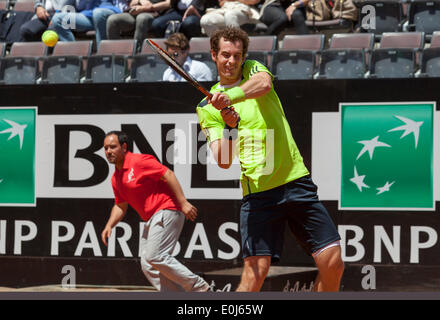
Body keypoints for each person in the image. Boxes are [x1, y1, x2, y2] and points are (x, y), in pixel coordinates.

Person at [196, 27, 344, 292]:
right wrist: (229, 126)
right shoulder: (206, 108)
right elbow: (222, 160)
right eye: (225, 55)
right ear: (214, 55)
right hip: (259, 195)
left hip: (296, 181)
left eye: (237, 56)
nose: (231, 61)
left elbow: (265, 84)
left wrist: (230, 96)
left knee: (333, 263)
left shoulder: (253, 69)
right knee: (255, 274)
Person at [102, 131, 210, 292]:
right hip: (152, 218)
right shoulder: (115, 178)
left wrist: (183, 202)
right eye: (105, 148)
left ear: (124, 147)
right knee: (148, 264)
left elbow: (167, 174)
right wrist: (109, 225)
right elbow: (120, 205)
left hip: (167, 209)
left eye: (113, 147)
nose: (108, 151)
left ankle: (201, 288)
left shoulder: (139, 161)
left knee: (155, 256)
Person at [50, 0, 127, 45]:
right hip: (88, 15)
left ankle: (103, 53)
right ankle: (73, 54)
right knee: (58, 18)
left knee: (98, 13)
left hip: (108, 10)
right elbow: (76, 6)